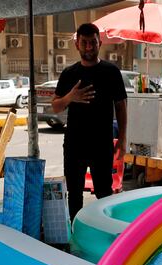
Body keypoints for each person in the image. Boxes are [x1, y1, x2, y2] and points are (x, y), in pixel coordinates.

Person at [52, 23, 127, 221]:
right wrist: (71, 97)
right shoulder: (69, 74)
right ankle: (75, 236)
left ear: (99, 43)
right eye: (84, 42)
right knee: (74, 195)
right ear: (77, 44)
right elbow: (56, 106)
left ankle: (104, 233)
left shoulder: (111, 72)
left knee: (104, 194)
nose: (88, 47)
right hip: (74, 145)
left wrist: (123, 139)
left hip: (102, 145)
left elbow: (121, 106)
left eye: (92, 42)